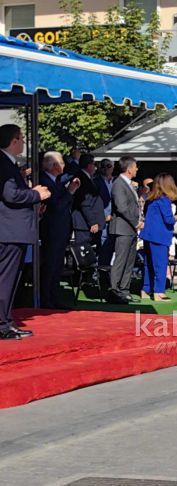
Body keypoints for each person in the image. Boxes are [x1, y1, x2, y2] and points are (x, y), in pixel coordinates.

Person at [0, 124, 51, 339]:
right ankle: (2, 324)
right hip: (9, 230)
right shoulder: (4, 163)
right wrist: (35, 195)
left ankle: (6, 321)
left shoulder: (8, 163)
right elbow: (10, 194)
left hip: (12, 229)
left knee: (10, 279)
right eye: (21, 139)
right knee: (6, 279)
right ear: (13, 141)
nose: (23, 143)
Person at [39, 152, 80, 308]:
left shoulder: (56, 180)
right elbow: (56, 207)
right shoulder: (44, 181)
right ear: (54, 165)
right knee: (50, 265)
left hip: (61, 229)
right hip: (51, 229)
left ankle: (54, 297)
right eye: (62, 163)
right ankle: (46, 299)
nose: (64, 166)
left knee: (57, 265)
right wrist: (70, 192)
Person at [140, 173, 177, 301]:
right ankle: (159, 292)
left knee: (148, 264)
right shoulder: (164, 200)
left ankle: (146, 289)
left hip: (149, 236)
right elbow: (169, 220)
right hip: (159, 237)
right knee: (160, 264)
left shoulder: (152, 199)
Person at [109, 156, 142, 304]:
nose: (137, 169)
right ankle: (115, 290)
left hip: (130, 229)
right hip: (123, 228)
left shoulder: (128, 184)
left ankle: (124, 289)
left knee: (129, 261)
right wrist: (136, 222)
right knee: (121, 260)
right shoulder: (119, 184)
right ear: (129, 168)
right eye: (135, 166)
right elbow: (122, 207)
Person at [71, 154, 105, 252]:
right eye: (94, 165)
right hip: (83, 224)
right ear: (89, 165)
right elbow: (84, 202)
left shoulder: (87, 178)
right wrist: (92, 222)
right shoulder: (81, 178)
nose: (95, 168)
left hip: (86, 223)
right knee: (83, 252)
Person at [95, 159, 115, 265]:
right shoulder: (96, 182)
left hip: (115, 219)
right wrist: (103, 216)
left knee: (111, 247)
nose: (105, 168)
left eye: (108, 166)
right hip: (103, 219)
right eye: (103, 166)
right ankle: (101, 272)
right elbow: (94, 203)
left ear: (113, 167)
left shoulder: (116, 181)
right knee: (103, 246)